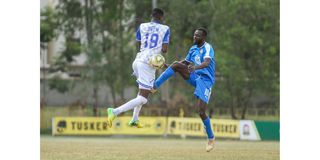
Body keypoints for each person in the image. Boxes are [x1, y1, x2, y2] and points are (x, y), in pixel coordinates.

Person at [152, 27, 216, 152]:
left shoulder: (208, 48)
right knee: (176, 64)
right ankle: (154, 86)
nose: (194, 37)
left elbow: (207, 63)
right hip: (195, 76)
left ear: (203, 38)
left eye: (197, 36)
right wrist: (169, 66)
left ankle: (211, 137)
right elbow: (185, 63)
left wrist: (195, 68)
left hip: (205, 81)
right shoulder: (193, 49)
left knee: (201, 112)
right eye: (194, 35)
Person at [107, 8, 170, 128]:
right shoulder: (165, 28)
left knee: (142, 91)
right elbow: (164, 50)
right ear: (161, 17)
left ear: (152, 16)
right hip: (148, 64)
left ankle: (135, 119)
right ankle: (114, 112)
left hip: (138, 61)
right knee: (143, 98)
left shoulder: (142, 26)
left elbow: (139, 44)